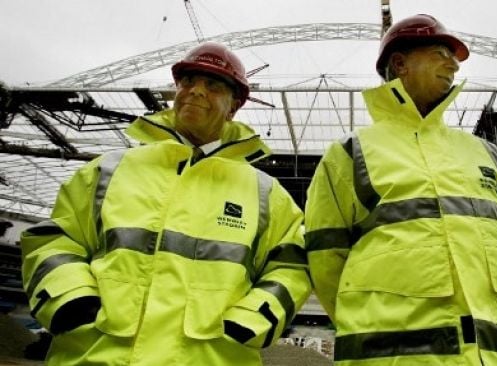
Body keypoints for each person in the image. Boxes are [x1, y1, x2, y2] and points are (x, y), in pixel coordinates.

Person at [20, 41, 311, 365]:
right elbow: (56, 239)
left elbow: (291, 267)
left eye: (213, 85)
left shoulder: (265, 193)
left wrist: (253, 319)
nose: (196, 91)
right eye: (187, 82)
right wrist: (70, 298)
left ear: (234, 106)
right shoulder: (108, 171)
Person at [305, 14, 497, 365]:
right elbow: (325, 263)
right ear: (400, 64)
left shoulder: (488, 155)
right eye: (440, 53)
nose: (454, 66)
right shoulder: (350, 153)